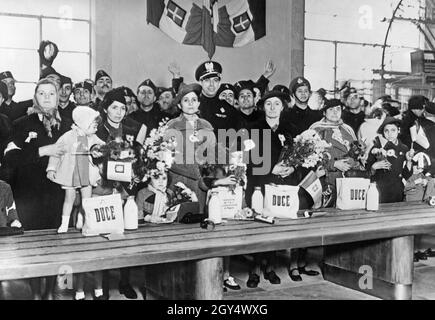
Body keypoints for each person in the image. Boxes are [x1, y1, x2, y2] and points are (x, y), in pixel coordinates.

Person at [1, 78, 68, 300]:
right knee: (30, 252)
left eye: (52, 93)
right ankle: (33, 295)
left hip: (57, 197)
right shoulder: (21, 124)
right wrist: (43, 151)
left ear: (58, 97)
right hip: (28, 197)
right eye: (42, 93)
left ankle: (54, 293)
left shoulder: (68, 125)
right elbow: (10, 159)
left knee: (58, 250)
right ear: (35, 97)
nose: (47, 97)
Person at [244, 90, 298, 288]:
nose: (273, 107)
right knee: (258, 227)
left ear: (283, 107)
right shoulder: (252, 129)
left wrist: (292, 167)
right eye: (269, 104)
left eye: (277, 104)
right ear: (262, 106)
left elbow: (296, 156)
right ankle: (255, 271)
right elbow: (246, 160)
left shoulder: (290, 129)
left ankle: (271, 268)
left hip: (281, 185)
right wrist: (269, 168)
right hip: (258, 184)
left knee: (275, 226)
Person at [46, 106, 103, 233]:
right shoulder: (67, 137)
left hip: (85, 173)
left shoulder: (93, 137)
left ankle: (86, 222)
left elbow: (103, 147)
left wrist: (105, 150)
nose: (96, 129)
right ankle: (64, 223)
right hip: (70, 173)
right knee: (69, 198)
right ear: (83, 124)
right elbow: (56, 152)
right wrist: (52, 168)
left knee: (87, 200)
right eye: (93, 126)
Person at [166, 83, 216, 214]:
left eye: (194, 100)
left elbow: (212, 155)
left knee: (199, 217)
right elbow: (167, 158)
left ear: (199, 103)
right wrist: (194, 172)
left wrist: (207, 177)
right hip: (178, 180)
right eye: (186, 100)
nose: (190, 104)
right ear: (179, 105)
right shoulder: (172, 126)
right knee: (178, 217)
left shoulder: (206, 126)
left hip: (201, 185)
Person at [310, 99, 358, 193]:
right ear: (324, 112)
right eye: (331, 109)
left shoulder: (348, 129)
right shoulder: (316, 130)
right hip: (327, 180)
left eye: (338, 109)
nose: (335, 112)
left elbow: (356, 153)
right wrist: (334, 164)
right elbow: (309, 158)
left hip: (348, 179)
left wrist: (353, 161)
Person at [366, 117, 413, 203]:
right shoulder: (377, 147)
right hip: (380, 189)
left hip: (397, 190)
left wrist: (409, 161)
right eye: (386, 131)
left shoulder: (404, 148)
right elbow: (367, 172)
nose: (389, 133)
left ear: (398, 130)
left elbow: (406, 174)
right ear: (383, 133)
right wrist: (373, 167)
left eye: (393, 130)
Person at [195, 61, 241, 135]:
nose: (211, 84)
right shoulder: (193, 106)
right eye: (207, 80)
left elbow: (236, 136)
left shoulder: (228, 108)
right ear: (200, 82)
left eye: (215, 80)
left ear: (219, 83)